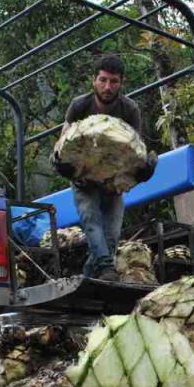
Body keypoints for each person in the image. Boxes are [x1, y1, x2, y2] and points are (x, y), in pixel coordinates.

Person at [52, 54, 156, 281]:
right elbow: (62, 142)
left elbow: (136, 150)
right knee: (90, 220)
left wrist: (141, 172)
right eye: (103, 80)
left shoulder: (130, 109)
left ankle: (89, 279)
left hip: (114, 181)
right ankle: (106, 270)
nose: (108, 87)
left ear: (121, 82)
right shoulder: (80, 105)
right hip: (84, 177)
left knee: (111, 236)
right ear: (94, 80)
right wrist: (64, 165)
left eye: (114, 81)